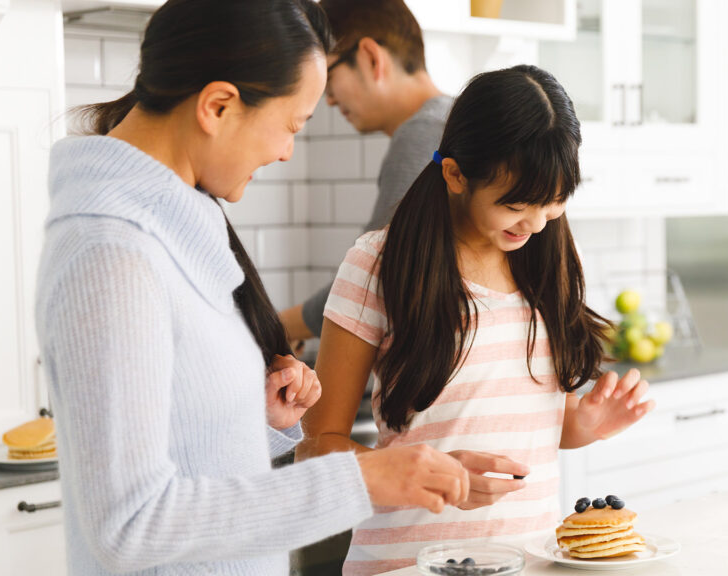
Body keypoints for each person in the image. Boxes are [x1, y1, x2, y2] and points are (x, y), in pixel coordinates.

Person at [35, 1, 468, 574]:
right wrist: (360, 478)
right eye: (292, 125)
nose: (286, 151)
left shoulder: (170, 230)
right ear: (218, 106)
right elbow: (129, 525)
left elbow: (187, 465)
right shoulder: (111, 256)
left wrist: (250, 417)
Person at [297, 65, 656, 575]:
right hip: (404, 565)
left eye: (552, 205)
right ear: (455, 175)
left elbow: (528, 427)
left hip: (528, 562)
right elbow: (315, 449)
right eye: (516, 205)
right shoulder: (378, 263)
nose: (534, 224)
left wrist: (585, 425)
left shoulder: (544, 263)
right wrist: (428, 473)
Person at [279, 0, 452, 348]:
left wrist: (279, 327)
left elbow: (372, 277)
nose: (326, 100)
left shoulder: (422, 133)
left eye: (328, 76)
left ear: (372, 58)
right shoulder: (454, 117)